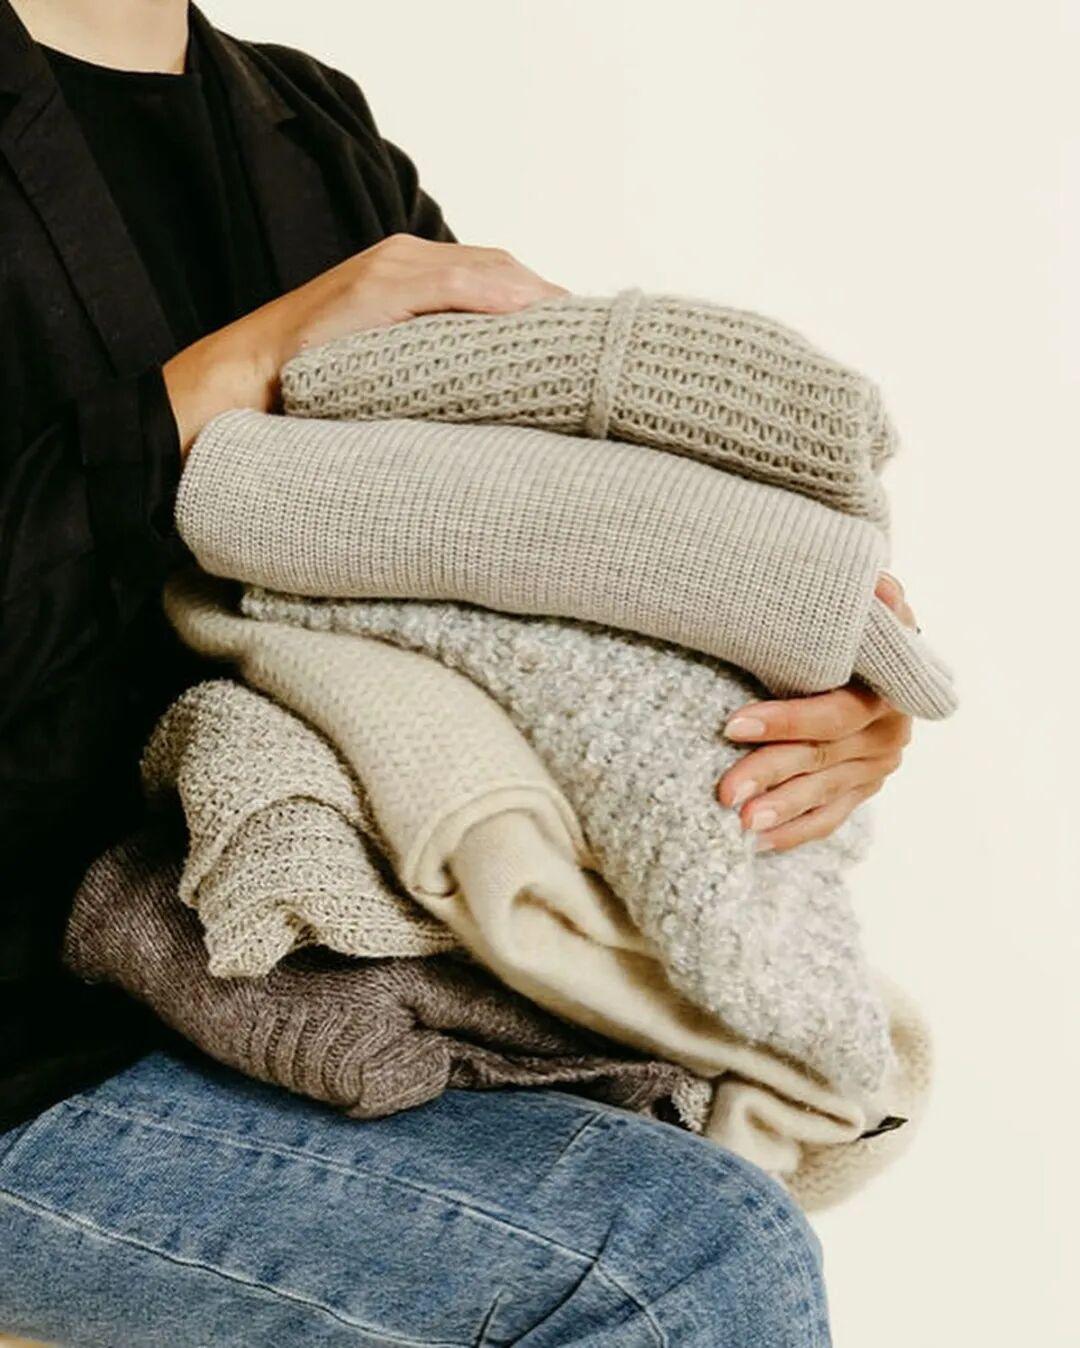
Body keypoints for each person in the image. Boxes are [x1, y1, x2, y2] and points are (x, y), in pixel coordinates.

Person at [0, 2, 916, 1342]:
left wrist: (798, 672)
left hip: (302, 998)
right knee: (676, 1256)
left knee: (701, 1171)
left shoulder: (314, 132)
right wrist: (231, 374)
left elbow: (499, 530)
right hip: (35, 1051)